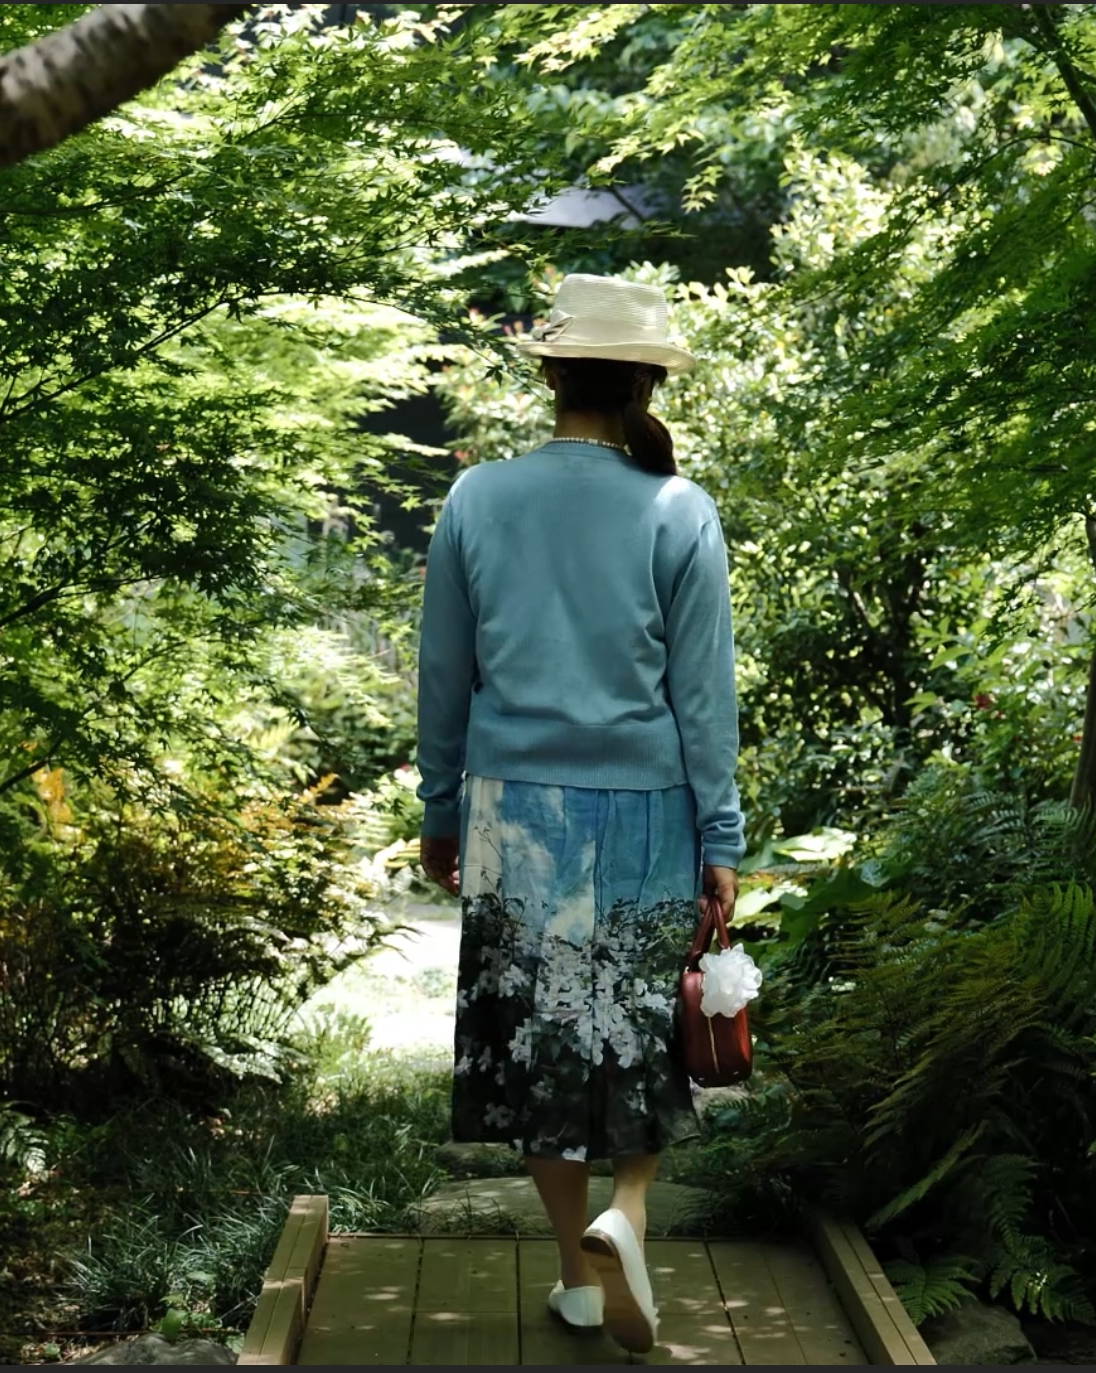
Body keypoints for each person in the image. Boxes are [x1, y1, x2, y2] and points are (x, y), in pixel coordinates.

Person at [414, 274, 745, 1356]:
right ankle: (631, 1210)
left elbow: (443, 671)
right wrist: (721, 837)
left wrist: (438, 805)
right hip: (647, 809)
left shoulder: (477, 499)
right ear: (646, 377)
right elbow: (702, 695)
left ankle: (576, 1274)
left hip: (519, 813)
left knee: (541, 1047)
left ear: (550, 372)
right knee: (640, 1028)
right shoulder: (679, 508)